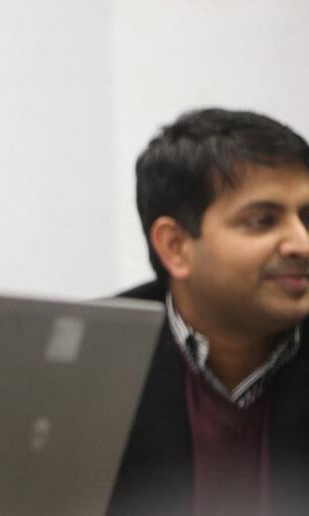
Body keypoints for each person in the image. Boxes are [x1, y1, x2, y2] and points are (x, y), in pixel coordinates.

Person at [109, 108, 309, 516]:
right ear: (176, 247)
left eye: (308, 219)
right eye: (262, 221)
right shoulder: (97, 357)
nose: (302, 244)